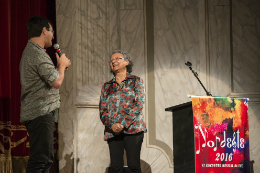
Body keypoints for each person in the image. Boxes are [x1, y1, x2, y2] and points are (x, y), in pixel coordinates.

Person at [19, 16, 71, 172]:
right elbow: (56, 83)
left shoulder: (33, 52)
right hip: (40, 112)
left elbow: (49, 80)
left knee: (44, 160)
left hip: (38, 112)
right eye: (52, 31)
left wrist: (59, 69)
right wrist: (61, 66)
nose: (53, 36)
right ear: (44, 31)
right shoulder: (38, 54)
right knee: (41, 161)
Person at [99, 50, 147, 173]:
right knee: (115, 167)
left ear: (127, 62)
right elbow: (103, 111)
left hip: (133, 129)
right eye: (111, 60)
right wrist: (112, 125)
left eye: (117, 58)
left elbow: (139, 104)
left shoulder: (136, 81)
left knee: (133, 166)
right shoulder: (106, 86)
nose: (113, 61)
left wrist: (123, 124)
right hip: (112, 131)